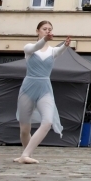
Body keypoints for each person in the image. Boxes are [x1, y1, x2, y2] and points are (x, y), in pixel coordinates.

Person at [16, 21, 70, 164]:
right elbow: (36, 47)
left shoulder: (52, 51)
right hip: (28, 88)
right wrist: (45, 40)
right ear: (37, 31)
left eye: (50, 29)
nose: (47, 31)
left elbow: (60, 51)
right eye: (44, 29)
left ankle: (25, 155)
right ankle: (26, 154)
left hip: (45, 88)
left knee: (47, 121)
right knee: (24, 128)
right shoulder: (29, 48)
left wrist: (65, 45)